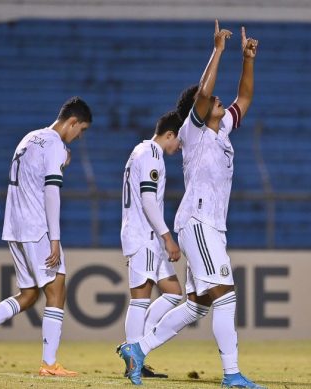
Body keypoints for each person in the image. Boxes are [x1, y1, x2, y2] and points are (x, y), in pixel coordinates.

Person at [120, 20, 265, 388]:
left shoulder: (223, 130)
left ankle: (137, 349)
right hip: (198, 222)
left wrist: (247, 60)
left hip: (211, 225)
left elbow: (244, 98)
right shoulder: (193, 131)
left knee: (198, 304)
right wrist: (218, 51)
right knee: (226, 295)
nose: (220, 102)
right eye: (214, 101)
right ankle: (232, 374)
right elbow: (204, 93)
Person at [0, 96, 92, 377]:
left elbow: (34, 174)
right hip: (36, 227)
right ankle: (49, 364)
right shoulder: (55, 145)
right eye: (81, 130)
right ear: (72, 121)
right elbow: (51, 191)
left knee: (30, 294)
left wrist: (62, 159)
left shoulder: (30, 137)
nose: (79, 137)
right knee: (57, 288)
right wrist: (54, 238)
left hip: (14, 226)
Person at [117, 110, 184, 379]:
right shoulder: (152, 155)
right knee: (140, 300)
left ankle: (135, 348)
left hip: (147, 237)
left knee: (173, 293)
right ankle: (133, 360)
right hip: (144, 236)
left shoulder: (139, 151)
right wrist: (168, 237)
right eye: (179, 141)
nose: (179, 147)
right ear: (170, 134)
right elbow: (147, 200)